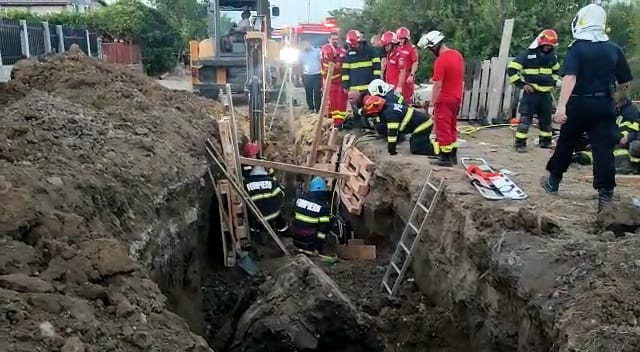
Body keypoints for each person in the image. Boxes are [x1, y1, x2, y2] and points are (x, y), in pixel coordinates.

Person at [540, 2, 633, 212]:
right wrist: (614, 98)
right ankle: (605, 196)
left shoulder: (577, 47)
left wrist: (561, 107)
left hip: (579, 103)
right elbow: (624, 82)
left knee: (566, 142)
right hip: (603, 104)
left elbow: (570, 78)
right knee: (604, 149)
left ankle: (553, 182)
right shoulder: (613, 49)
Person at [507, 29, 561, 153]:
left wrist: (553, 81)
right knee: (525, 119)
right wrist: (521, 84)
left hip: (545, 94)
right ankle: (520, 144)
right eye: (546, 45)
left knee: (546, 119)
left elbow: (556, 71)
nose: (548, 47)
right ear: (540, 43)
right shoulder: (527, 55)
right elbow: (511, 69)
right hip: (531, 93)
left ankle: (545, 141)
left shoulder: (552, 57)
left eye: (550, 45)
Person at [417, 30, 464, 166]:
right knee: (451, 126)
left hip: (444, 99)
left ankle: (445, 158)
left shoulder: (441, 61)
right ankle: (453, 155)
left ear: (435, 46)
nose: (431, 52)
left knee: (442, 128)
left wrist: (432, 104)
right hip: (456, 97)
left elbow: (437, 85)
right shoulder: (457, 55)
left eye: (430, 49)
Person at [571, 94, 640, 174]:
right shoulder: (616, 112)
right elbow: (633, 129)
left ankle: (631, 168)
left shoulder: (630, 112)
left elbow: (629, 131)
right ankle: (581, 157)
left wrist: (626, 137)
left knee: (632, 147)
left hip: (624, 143)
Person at [362, 94, 438, 157]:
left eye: (372, 114)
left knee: (416, 148)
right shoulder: (388, 107)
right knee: (417, 142)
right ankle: (434, 144)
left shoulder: (390, 114)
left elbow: (392, 134)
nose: (372, 115)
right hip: (421, 123)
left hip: (423, 125)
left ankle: (439, 149)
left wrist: (392, 151)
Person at [342, 29, 381, 123]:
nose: (354, 46)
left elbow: (377, 66)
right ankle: (359, 128)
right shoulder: (348, 54)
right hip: (355, 90)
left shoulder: (370, 51)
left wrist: (376, 81)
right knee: (357, 112)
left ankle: (372, 126)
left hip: (369, 87)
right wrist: (345, 85)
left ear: (360, 40)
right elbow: (345, 71)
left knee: (371, 108)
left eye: (355, 43)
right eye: (352, 44)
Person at [244, 167, 288, 241]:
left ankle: (256, 233)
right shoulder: (271, 181)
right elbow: (281, 194)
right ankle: (283, 232)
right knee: (280, 219)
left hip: (257, 216)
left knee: (251, 219)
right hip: (274, 214)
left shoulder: (246, 183)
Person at [291, 176, 332, 254]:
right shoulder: (324, 207)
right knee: (327, 223)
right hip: (309, 242)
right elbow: (323, 230)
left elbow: (292, 215)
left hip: (295, 238)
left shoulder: (299, 198)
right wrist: (318, 248)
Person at [321, 32, 348, 127]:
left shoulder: (342, 51)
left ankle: (341, 121)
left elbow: (344, 64)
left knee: (342, 102)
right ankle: (335, 122)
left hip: (341, 81)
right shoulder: (326, 49)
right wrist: (336, 66)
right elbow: (327, 65)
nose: (335, 40)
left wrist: (338, 65)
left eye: (336, 39)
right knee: (333, 102)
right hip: (330, 82)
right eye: (333, 39)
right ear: (329, 39)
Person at [395, 27, 419, 104]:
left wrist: (411, 75)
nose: (400, 40)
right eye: (399, 38)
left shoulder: (411, 48)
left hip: (407, 75)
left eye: (402, 38)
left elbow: (415, 62)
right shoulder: (395, 48)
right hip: (397, 75)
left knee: (407, 98)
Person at [298, 41, 323, 112]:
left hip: (317, 75)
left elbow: (322, 61)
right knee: (308, 92)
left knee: (317, 92)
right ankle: (311, 108)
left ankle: (318, 109)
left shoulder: (317, 51)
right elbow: (300, 65)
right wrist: (300, 76)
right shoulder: (300, 53)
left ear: (309, 44)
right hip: (307, 75)